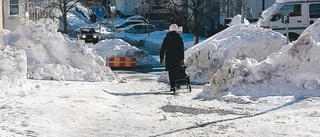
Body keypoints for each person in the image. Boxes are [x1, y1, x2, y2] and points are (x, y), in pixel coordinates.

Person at [160, 24, 184, 91]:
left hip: (169, 58)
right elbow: (181, 49)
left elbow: (162, 49)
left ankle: (172, 85)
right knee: (177, 70)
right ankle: (177, 84)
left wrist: (161, 57)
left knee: (171, 72)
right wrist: (182, 58)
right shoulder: (179, 38)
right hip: (177, 58)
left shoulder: (167, 38)